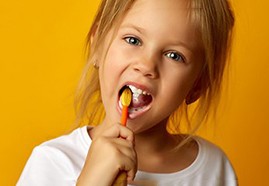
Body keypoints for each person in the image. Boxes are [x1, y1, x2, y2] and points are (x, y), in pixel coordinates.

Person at [17, 0, 237, 185]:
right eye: (133, 40)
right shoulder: (53, 162)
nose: (146, 65)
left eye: (174, 55)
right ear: (98, 47)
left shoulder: (215, 169)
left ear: (198, 84)